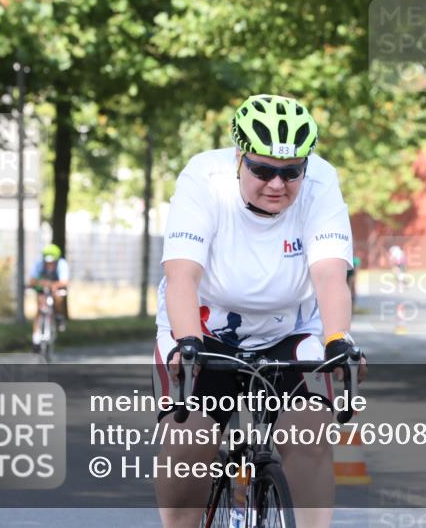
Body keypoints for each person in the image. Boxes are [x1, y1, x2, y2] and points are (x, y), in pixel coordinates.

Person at [152, 94, 365, 528]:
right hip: (205, 328)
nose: (277, 184)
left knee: (308, 436)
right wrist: (187, 342)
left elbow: (330, 275)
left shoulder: (322, 182)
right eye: (263, 170)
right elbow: (182, 275)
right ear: (239, 157)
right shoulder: (204, 178)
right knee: (189, 443)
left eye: (291, 172)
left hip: (292, 329)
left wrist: (338, 341)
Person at [29, 243, 69, 339]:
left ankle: (59, 316)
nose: (49, 264)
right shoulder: (39, 264)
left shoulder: (62, 264)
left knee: (58, 298)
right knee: (40, 307)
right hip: (42, 288)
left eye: (52, 262)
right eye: (47, 262)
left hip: (56, 287)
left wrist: (53, 285)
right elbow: (32, 280)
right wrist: (41, 284)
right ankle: (36, 335)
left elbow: (64, 281)